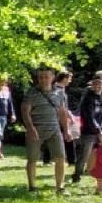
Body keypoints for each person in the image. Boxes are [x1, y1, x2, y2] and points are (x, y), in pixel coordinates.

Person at [21, 67, 71, 195]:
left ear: (52, 77)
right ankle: (32, 186)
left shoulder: (60, 93)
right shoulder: (31, 93)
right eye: (41, 77)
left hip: (54, 129)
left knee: (60, 157)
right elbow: (25, 112)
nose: (43, 80)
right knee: (32, 159)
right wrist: (31, 129)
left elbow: (62, 112)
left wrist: (66, 130)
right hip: (36, 129)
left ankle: (60, 187)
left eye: (46, 77)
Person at [71, 71, 102, 185]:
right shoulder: (87, 98)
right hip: (89, 131)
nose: (97, 86)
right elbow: (89, 117)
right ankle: (76, 176)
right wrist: (98, 131)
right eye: (95, 84)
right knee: (84, 156)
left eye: (99, 84)